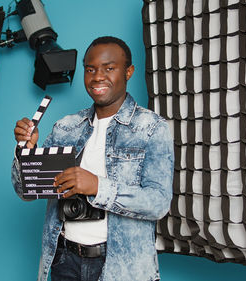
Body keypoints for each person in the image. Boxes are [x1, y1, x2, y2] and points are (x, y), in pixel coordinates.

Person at [11, 36, 174, 281]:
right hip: (64, 258)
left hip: (121, 266)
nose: (98, 76)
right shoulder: (66, 127)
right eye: (91, 69)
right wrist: (26, 151)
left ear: (128, 71)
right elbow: (25, 190)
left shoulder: (152, 128)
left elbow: (158, 203)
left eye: (109, 68)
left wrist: (97, 186)